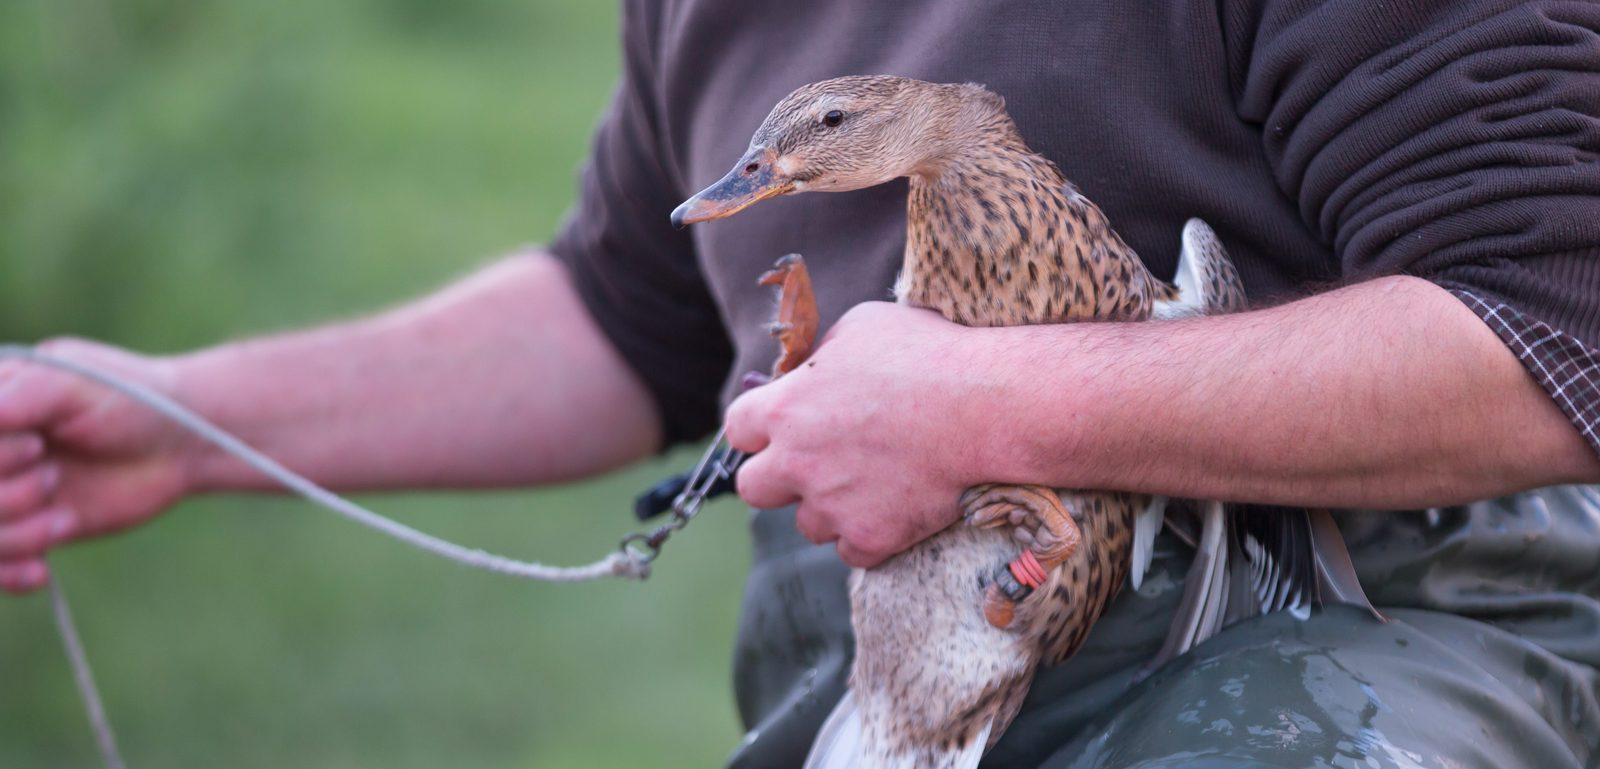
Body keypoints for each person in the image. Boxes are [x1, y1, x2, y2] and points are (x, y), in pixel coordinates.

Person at [4, 1, 1600, 766]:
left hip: (1363, 628)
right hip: (891, 669)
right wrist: (180, 416)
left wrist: (994, 411)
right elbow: (631, 310)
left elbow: (1552, 338)